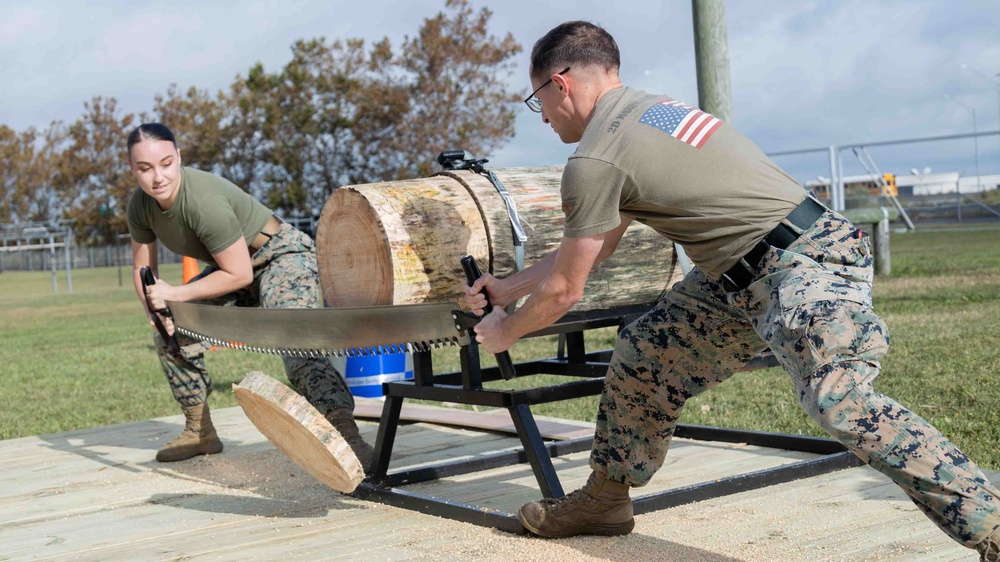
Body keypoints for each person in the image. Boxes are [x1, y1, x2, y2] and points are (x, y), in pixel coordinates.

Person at [460, 21, 1000, 560]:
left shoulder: (595, 157)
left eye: (538, 101)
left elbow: (563, 292)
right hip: (743, 273)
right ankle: (605, 501)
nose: (546, 118)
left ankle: (992, 525)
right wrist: (507, 287)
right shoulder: (651, 111)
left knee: (842, 402)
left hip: (801, 264)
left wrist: (503, 332)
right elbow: (593, 249)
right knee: (645, 353)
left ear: (560, 83)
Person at [125, 123, 371, 466]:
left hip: (280, 255)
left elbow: (238, 272)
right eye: (145, 168)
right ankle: (200, 431)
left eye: (166, 163)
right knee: (174, 330)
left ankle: (345, 434)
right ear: (132, 169)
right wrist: (160, 315)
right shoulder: (140, 205)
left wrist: (176, 294)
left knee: (293, 337)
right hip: (237, 268)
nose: (158, 177)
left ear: (179, 157)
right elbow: (142, 270)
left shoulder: (202, 201)